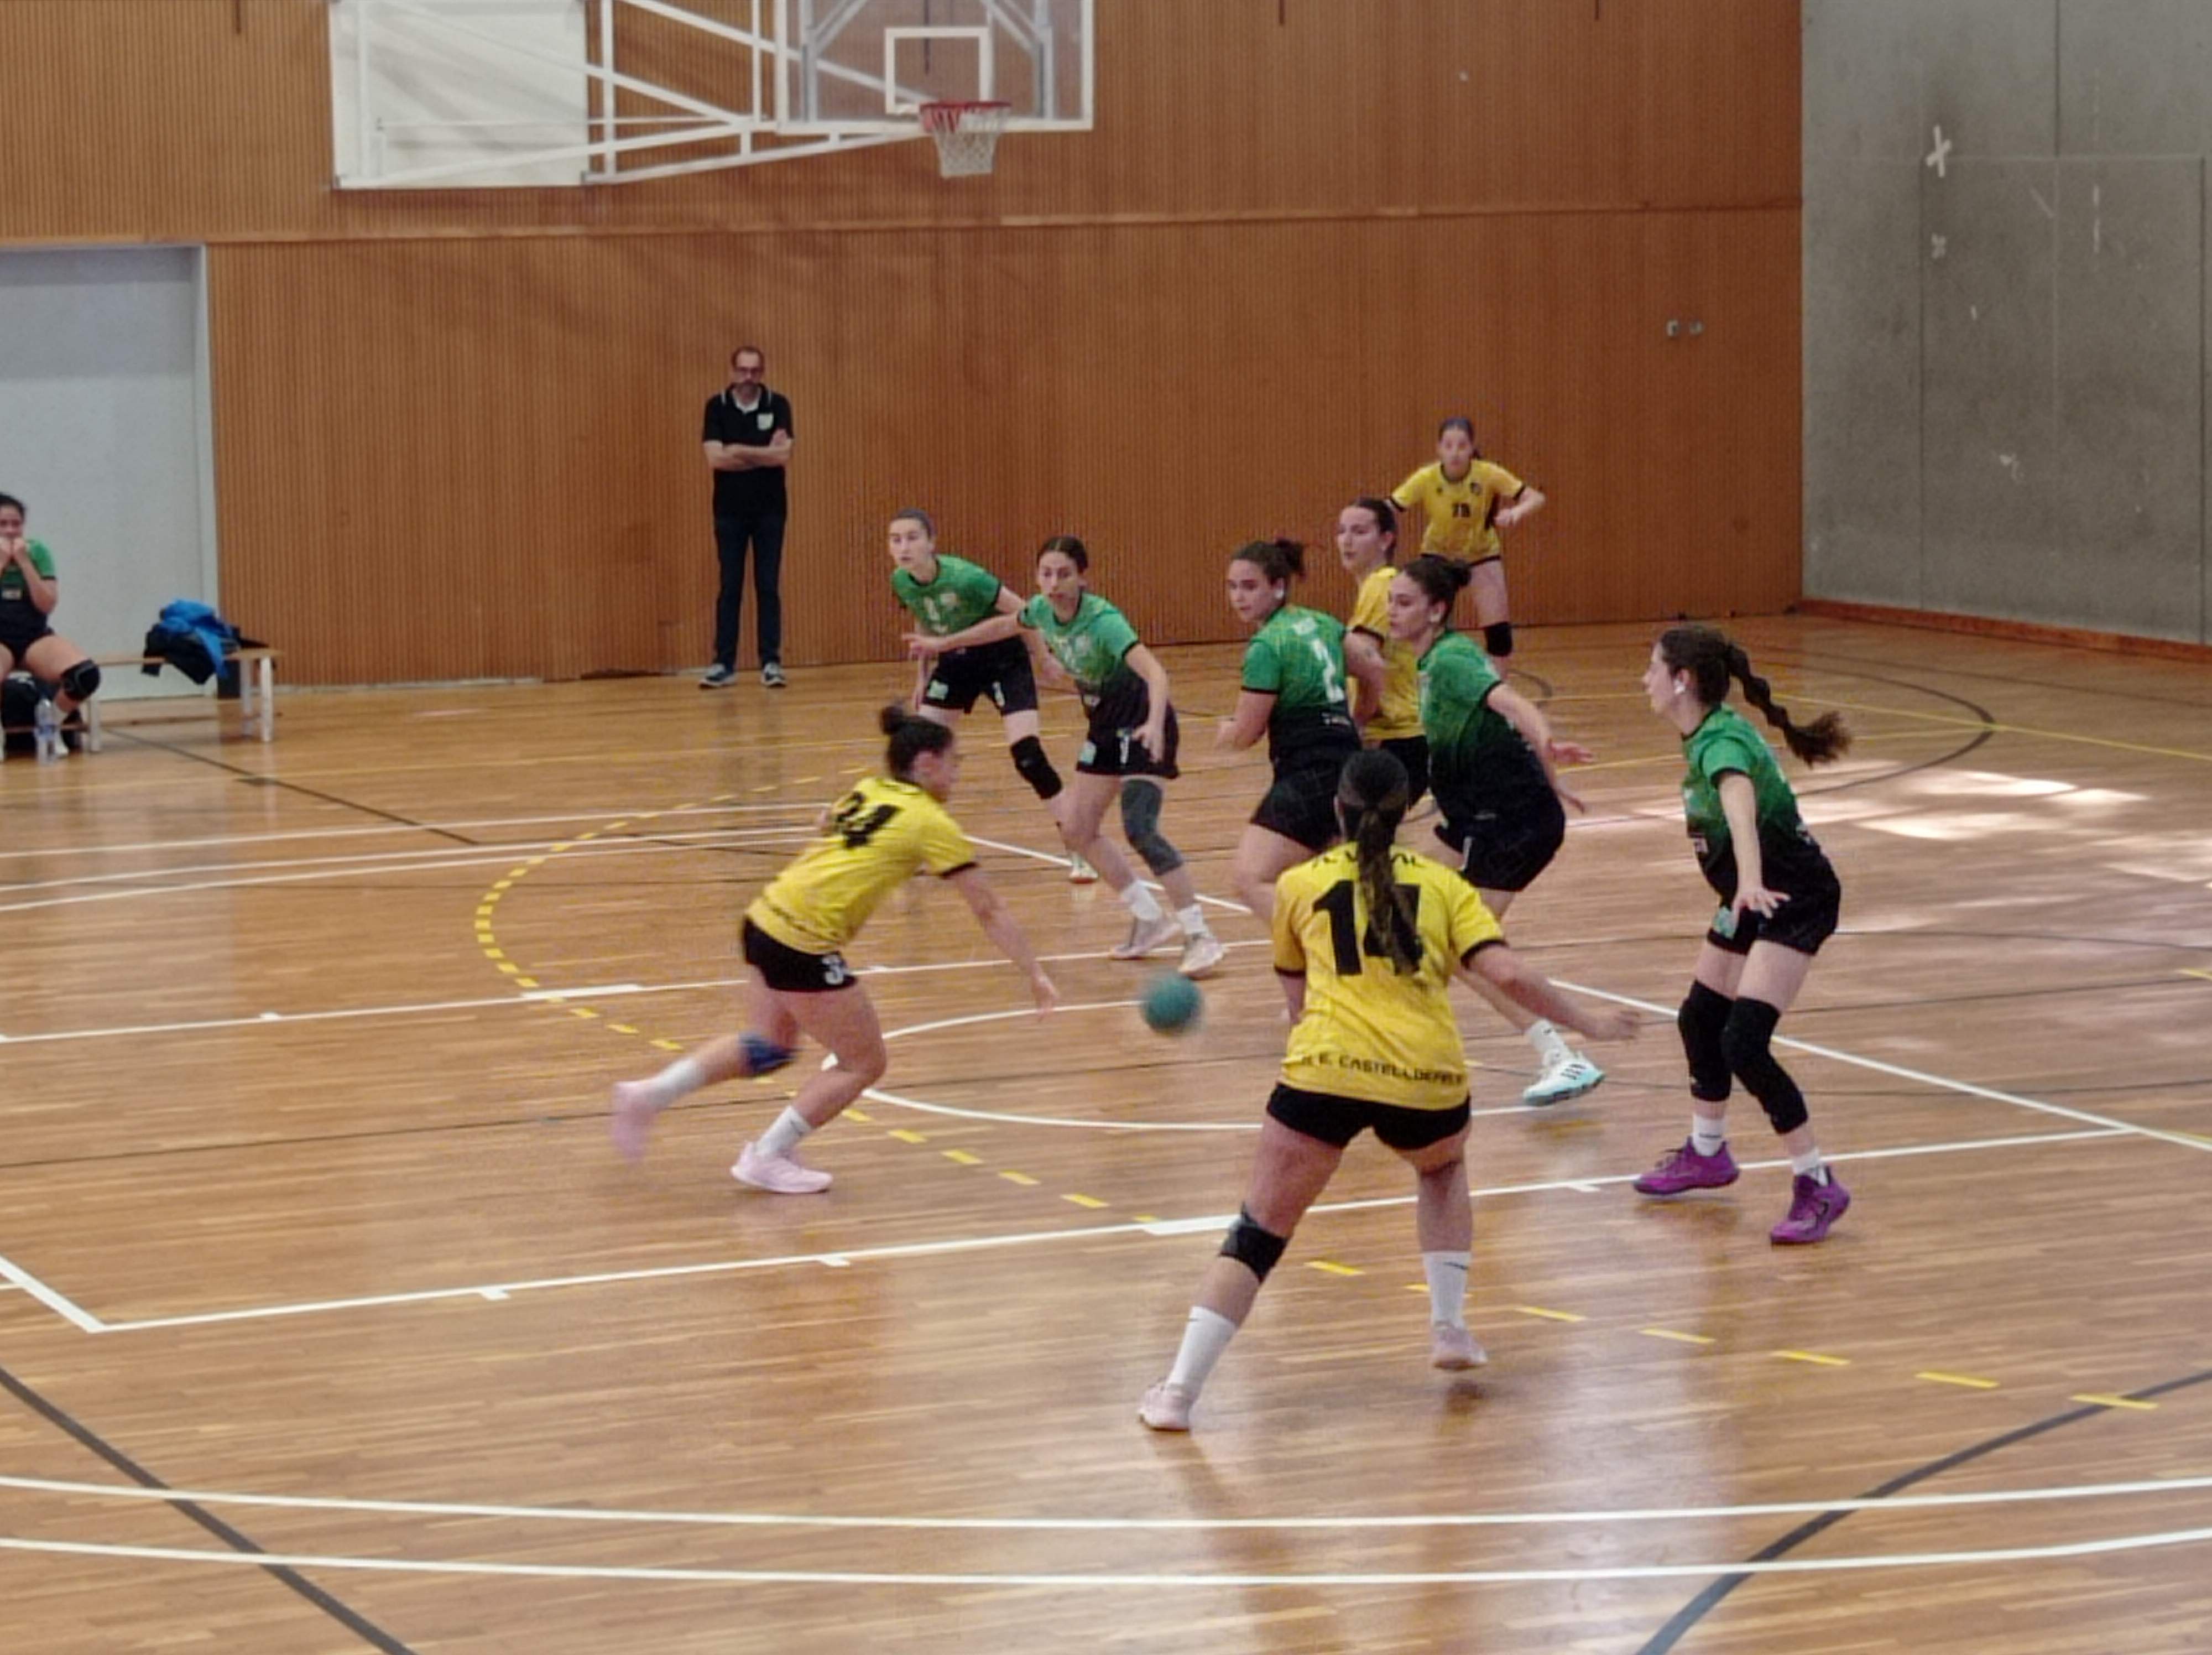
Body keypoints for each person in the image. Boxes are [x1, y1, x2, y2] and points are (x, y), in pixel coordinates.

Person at [1137, 750, 1637, 1432]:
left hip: (1324, 1072)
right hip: (1425, 1077)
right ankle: (1448, 1327)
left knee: (1258, 1232)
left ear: (1335, 810)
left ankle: (1175, 1395)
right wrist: (1588, 1024)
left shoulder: (1296, 885)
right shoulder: (1445, 886)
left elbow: (1299, 1002)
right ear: (1409, 814)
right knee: (1441, 1167)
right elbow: (1508, 973)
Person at [611, 705, 1056, 1191]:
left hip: (764, 917)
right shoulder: (931, 822)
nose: (958, 774)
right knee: (864, 1062)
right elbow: (987, 908)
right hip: (801, 942)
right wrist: (1034, 973)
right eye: (956, 762)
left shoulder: (869, 788)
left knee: (769, 1046)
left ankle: (650, 1095)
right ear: (926, 764)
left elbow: (829, 828)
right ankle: (766, 1155)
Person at [906, 535, 1225, 977]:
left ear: (1082, 578)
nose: (1053, 583)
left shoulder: (1102, 620)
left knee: (1140, 827)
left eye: (1063, 574)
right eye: (1046, 574)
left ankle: (1201, 934)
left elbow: (1155, 672)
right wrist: (943, 645)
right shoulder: (1040, 611)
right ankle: (1149, 919)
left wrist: (1154, 723)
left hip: (1139, 716)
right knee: (1077, 829)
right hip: (1103, 721)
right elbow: (1001, 626)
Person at [1633, 625, 1853, 1245]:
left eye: (1652, 668)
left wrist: (1750, 881)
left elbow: (1738, 800)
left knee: (1743, 1042)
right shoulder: (1704, 732)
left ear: (1683, 680)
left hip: (1793, 899)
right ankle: (1708, 1153)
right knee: (1698, 1018)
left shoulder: (1720, 742)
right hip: (1749, 898)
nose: (1643, 678)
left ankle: (1817, 1182)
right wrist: (1741, 892)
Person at [1387, 556, 1604, 1106]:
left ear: (1437, 611)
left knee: (1465, 946)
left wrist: (1548, 745)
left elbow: (1514, 704)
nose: (1393, 610)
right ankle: (1401, 1035)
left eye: (1405, 602)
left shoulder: (1456, 659)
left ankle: (1563, 1056)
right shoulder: (1430, 661)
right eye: (1392, 599)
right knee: (1397, 902)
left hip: (1514, 825)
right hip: (1470, 817)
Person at [888, 509, 1091, 882]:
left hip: (1003, 657)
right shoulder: (901, 581)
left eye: (913, 538)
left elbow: (1023, 612)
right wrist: (922, 677)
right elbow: (924, 620)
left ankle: (1078, 844)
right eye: (896, 539)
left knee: (1027, 755)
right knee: (917, 750)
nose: (904, 547)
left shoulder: (967, 578)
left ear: (932, 543)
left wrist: (1042, 657)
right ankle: (911, 845)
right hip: (956, 660)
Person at [1218, 539, 1380, 922]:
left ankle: (1322, 952)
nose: (1239, 597)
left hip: (1310, 774)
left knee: (1249, 878)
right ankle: (1347, 962)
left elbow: (1247, 733)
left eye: (1250, 586)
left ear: (1278, 586)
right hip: (1349, 765)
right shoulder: (1322, 624)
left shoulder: (1267, 646)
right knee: (1331, 883)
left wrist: (1227, 733)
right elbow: (1374, 668)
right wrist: (1358, 719)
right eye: (1233, 586)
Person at [1390, 416, 1545, 659]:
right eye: (1449, 446)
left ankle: (1495, 694)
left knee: (1499, 634)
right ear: (1439, 449)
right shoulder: (1426, 477)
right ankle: (1426, 685)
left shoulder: (1488, 474)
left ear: (1472, 448)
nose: (1455, 453)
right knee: (1429, 629)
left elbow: (1535, 498)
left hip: (1481, 553)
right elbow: (1391, 506)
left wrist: (1515, 512)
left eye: (1462, 446)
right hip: (1438, 555)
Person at [701, 345, 794, 689]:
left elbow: (783, 456)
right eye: (743, 370)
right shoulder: (716, 407)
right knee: (730, 586)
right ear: (732, 371)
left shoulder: (778, 404)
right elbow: (716, 460)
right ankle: (723, 663)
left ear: (763, 372)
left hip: (770, 511)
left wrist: (738, 449)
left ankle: (770, 662)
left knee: (767, 586)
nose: (749, 378)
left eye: (755, 371)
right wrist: (762, 453)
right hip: (729, 512)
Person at [1335, 496, 1427, 804]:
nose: (1347, 541)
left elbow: (1368, 664)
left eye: (1359, 532)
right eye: (1342, 531)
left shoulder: (1382, 585)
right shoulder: (1381, 586)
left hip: (1391, 739)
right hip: (1405, 739)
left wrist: (1359, 724)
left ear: (1386, 540)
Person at [0, 493, 101, 736]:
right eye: (3, 525)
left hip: (34, 638)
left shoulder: (38, 552)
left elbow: (46, 604)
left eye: (16, 524)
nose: (11, 531)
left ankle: (50, 726)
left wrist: (25, 563)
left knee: (84, 675)